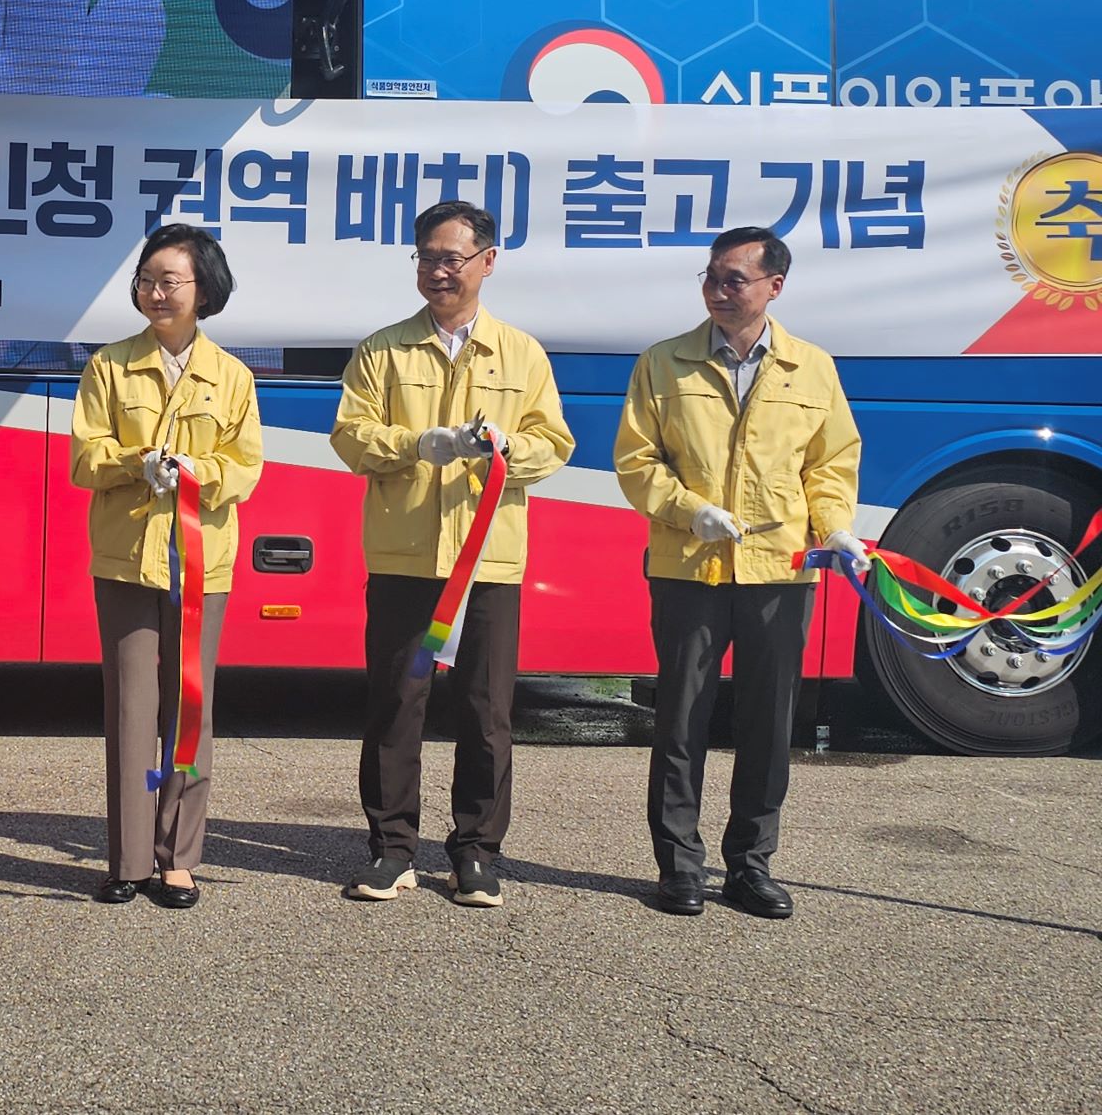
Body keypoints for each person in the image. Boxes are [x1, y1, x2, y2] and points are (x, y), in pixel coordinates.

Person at [614, 226, 863, 919]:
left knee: (768, 724)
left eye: (735, 280)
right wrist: (689, 511)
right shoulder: (664, 363)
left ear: (774, 287)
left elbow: (830, 464)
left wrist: (834, 526)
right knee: (680, 720)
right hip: (688, 568)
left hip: (780, 571)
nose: (718, 291)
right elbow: (636, 461)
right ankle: (679, 866)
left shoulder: (811, 368)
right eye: (711, 277)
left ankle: (750, 866)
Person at [331, 201, 572, 908]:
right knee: (396, 705)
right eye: (428, 258)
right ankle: (391, 850)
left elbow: (555, 444)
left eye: (453, 259)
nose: (439, 271)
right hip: (406, 559)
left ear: (487, 262)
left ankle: (476, 853)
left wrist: (508, 448)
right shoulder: (383, 350)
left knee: (487, 710)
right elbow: (350, 437)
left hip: (488, 562)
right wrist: (419, 444)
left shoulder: (521, 353)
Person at [71, 224, 263, 909]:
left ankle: (178, 857)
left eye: (169, 281)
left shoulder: (232, 376)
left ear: (203, 290)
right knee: (130, 709)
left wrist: (197, 472)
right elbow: (84, 458)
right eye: (146, 280)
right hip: (127, 560)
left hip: (201, 564)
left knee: (189, 709)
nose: (155, 292)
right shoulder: (110, 366)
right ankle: (127, 859)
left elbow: (245, 468)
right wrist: (136, 463)